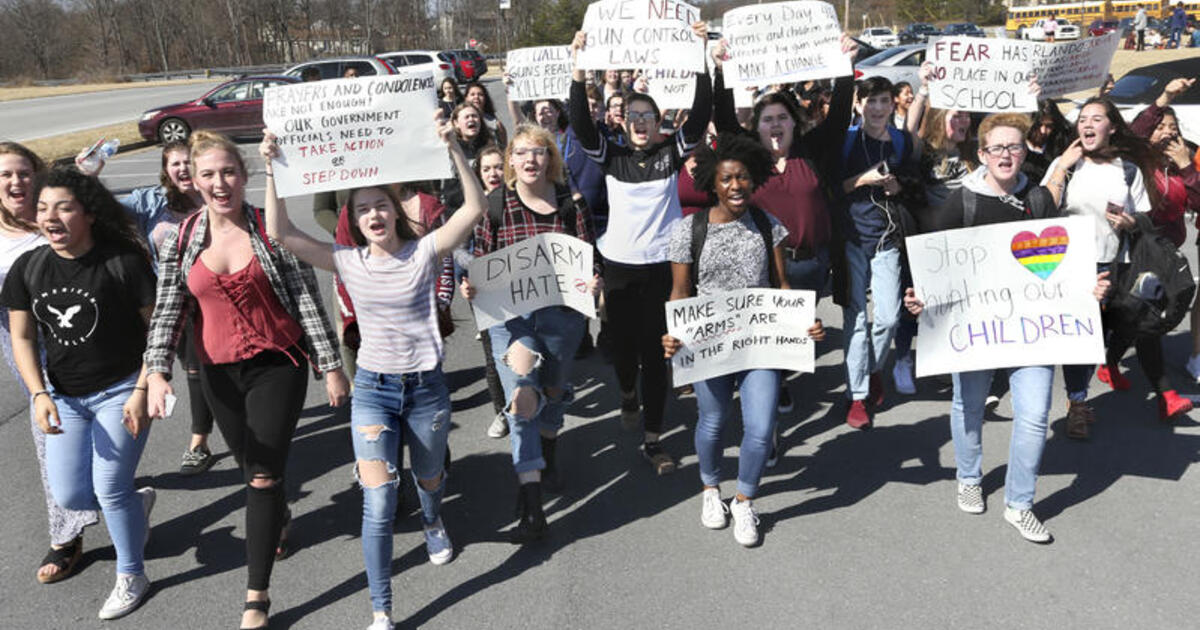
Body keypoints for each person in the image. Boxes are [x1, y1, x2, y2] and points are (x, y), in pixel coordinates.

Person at [260, 115, 484, 630]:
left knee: (430, 478)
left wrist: (453, 149)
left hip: (427, 390)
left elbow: (472, 208)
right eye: (363, 209)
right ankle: (381, 607)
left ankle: (432, 519)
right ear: (354, 221)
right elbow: (280, 231)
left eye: (381, 204)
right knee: (378, 501)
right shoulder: (347, 261)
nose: (374, 214)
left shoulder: (425, 251)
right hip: (373, 394)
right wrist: (270, 168)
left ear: (395, 210)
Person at [142, 131, 349, 630]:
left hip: (278, 364)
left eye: (229, 172)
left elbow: (304, 297)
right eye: (208, 174)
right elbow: (169, 308)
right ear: (192, 179)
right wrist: (155, 371)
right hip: (218, 372)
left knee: (261, 473)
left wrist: (332, 365)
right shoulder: (185, 238)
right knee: (253, 468)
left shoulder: (268, 229)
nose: (220, 183)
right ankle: (276, 510)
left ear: (244, 174)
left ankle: (257, 596)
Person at [904, 112, 1110, 544]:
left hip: (1031, 333)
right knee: (969, 406)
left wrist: (1086, 288)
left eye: (1014, 146)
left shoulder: (1037, 201)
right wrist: (919, 297)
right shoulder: (963, 202)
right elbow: (933, 268)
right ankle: (969, 475)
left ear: (1023, 151)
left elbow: (1061, 265)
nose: (1006, 155)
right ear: (982, 154)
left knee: (1035, 416)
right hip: (976, 335)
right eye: (997, 147)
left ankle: (1020, 503)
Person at [2, 168, 159, 617]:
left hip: (123, 389)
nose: (50, 215)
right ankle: (136, 502)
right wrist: (38, 394)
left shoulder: (123, 261)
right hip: (65, 396)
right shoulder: (29, 267)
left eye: (64, 206)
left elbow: (158, 330)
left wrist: (144, 388)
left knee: (109, 488)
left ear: (88, 213)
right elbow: (23, 338)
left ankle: (132, 574)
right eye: (44, 207)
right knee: (71, 496)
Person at [662, 133, 824, 547]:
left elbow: (782, 285)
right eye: (728, 179)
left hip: (759, 344)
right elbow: (680, 293)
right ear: (713, 184)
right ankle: (711, 489)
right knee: (713, 423)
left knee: (760, 427)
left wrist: (806, 322)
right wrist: (673, 336)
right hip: (709, 344)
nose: (737, 186)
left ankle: (745, 499)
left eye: (744, 179)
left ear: (754, 182)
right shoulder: (688, 230)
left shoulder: (768, 225)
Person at [568, 23, 713, 473]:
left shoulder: (672, 152)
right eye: (633, 117)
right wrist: (578, 68)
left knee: (657, 354)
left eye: (648, 117)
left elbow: (703, 108)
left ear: (658, 122)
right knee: (625, 351)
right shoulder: (610, 156)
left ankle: (654, 438)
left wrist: (702, 54)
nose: (640, 123)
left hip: (662, 269)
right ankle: (626, 392)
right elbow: (578, 121)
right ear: (623, 122)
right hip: (620, 267)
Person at [461, 125, 602, 543]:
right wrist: (472, 285)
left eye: (538, 152)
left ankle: (550, 452)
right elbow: (481, 262)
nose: (529, 160)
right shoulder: (495, 207)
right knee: (522, 401)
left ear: (550, 158)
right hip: (513, 323)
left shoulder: (570, 204)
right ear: (510, 160)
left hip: (561, 319)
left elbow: (590, 258)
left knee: (554, 396)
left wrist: (594, 281)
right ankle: (533, 504)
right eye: (520, 152)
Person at [710, 35, 856, 421]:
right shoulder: (748, 155)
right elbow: (724, 121)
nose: (775, 125)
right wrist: (721, 69)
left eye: (781, 118)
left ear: (794, 122)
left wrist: (845, 68)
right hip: (760, 270)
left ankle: (779, 382)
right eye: (767, 119)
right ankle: (765, 423)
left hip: (808, 267)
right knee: (766, 347)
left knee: (792, 342)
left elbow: (840, 117)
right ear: (756, 127)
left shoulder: (813, 150)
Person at [82, 141, 216, 475]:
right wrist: (90, 178)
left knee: (216, 367)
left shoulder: (217, 192)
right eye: (175, 164)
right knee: (194, 369)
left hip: (217, 297)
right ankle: (199, 442)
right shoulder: (150, 202)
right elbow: (104, 210)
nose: (183, 169)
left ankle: (222, 423)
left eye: (188, 162)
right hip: (171, 299)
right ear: (166, 170)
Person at [0, 142, 101, 585]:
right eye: (5, 175)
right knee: (51, 434)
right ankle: (65, 537)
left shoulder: (54, 215)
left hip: (83, 340)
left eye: (23, 173)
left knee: (100, 438)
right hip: (26, 350)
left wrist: (88, 186)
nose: (15, 182)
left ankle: (125, 501)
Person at [1040, 98, 1156, 439]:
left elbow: (1146, 217)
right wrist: (1061, 166)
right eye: (1083, 119)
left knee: (1097, 336)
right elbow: (1041, 206)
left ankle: (1079, 396)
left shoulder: (1128, 169)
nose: (1087, 125)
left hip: (1110, 263)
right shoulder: (1068, 163)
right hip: (1067, 263)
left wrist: (1130, 221)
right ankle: (1076, 404)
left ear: (1112, 127)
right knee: (1076, 339)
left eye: (1096, 119)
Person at [836, 75, 920, 428]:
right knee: (856, 317)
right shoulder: (846, 141)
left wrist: (896, 185)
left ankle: (872, 370)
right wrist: (862, 180)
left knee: (887, 316)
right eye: (870, 101)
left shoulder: (900, 141)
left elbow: (913, 189)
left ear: (892, 105)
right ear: (858, 105)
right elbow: (829, 188)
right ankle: (857, 396)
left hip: (888, 239)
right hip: (852, 238)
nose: (878, 108)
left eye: (884, 101)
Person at [1118, 78, 1198, 419]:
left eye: (1172, 127)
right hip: (1138, 251)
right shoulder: (1139, 159)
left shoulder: (1184, 160)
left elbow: (1196, 200)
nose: (1166, 132)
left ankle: (1110, 359)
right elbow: (1135, 132)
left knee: (1139, 317)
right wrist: (1164, 99)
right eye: (1161, 126)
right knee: (1146, 319)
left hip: (1169, 253)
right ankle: (1166, 393)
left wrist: (1186, 166)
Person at [471, 145, 513, 439]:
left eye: (498, 166)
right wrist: (471, 272)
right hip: (486, 291)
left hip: (523, 288)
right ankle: (502, 412)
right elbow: (460, 250)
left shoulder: (518, 200)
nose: (493, 173)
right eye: (486, 169)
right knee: (493, 358)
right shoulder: (471, 208)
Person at [440, 103, 493, 210]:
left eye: (474, 116)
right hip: (456, 209)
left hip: (487, 207)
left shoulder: (490, 147)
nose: (471, 119)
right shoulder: (449, 149)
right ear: (456, 123)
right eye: (467, 117)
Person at [1023, 99, 1075, 183]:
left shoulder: (1061, 144)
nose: (1043, 131)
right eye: (1038, 125)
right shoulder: (1016, 146)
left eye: (1049, 126)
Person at [464, 81, 508, 148]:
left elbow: (504, 149)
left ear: (485, 99)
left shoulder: (496, 124)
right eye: (472, 94)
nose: (476, 97)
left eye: (480, 94)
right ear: (466, 98)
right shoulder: (459, 121)